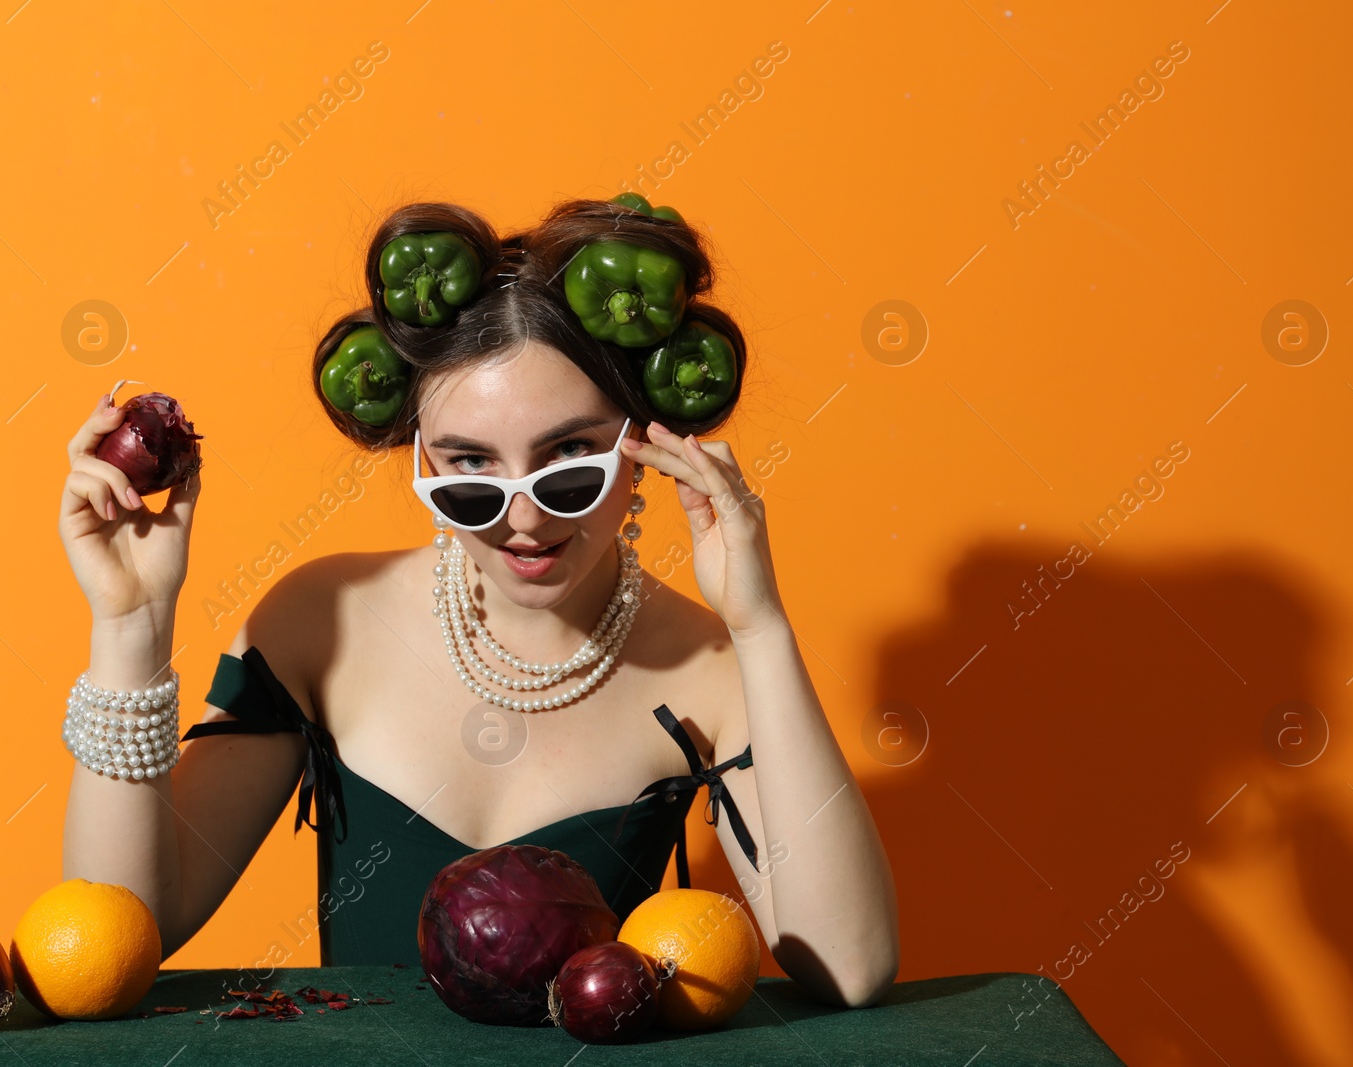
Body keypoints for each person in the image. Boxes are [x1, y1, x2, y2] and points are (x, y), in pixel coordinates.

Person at [56, 196, 899, 1008]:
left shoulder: (711, 668)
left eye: (568, 456)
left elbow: (851, 965)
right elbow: (121, 932)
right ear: (421, 457)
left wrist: (760, 628)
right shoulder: (322, 621)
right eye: (469, 466)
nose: (523, 518)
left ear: (643, 444)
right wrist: (129, 628)